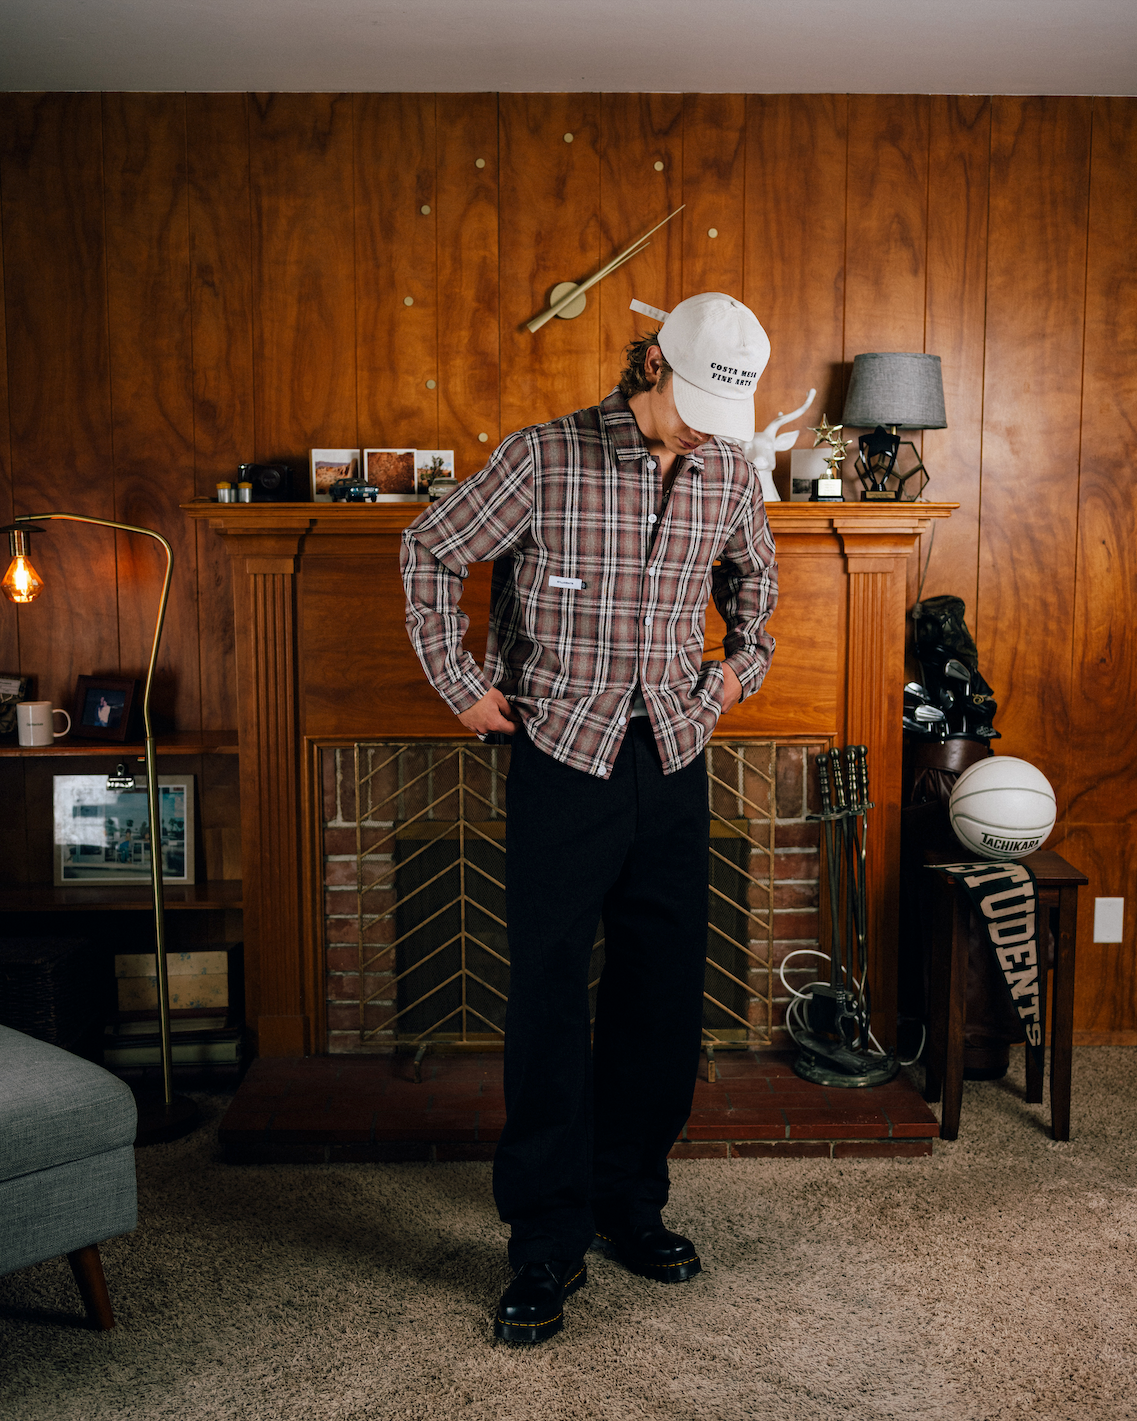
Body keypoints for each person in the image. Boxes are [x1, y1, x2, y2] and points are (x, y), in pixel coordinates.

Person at [401, 292, 778, 1344]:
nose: (706, 426)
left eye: (722, 412)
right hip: (560, 758)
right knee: (550, 1001)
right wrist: (461, 684)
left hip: (675, 754)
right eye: (694, 401)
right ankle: (546, 1239)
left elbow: (760, 579)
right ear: (651, 364)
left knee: (661, 997)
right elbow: (429, 550)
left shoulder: (729, 471)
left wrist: (740, 668)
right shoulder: (544, 456)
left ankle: (630, 1205)